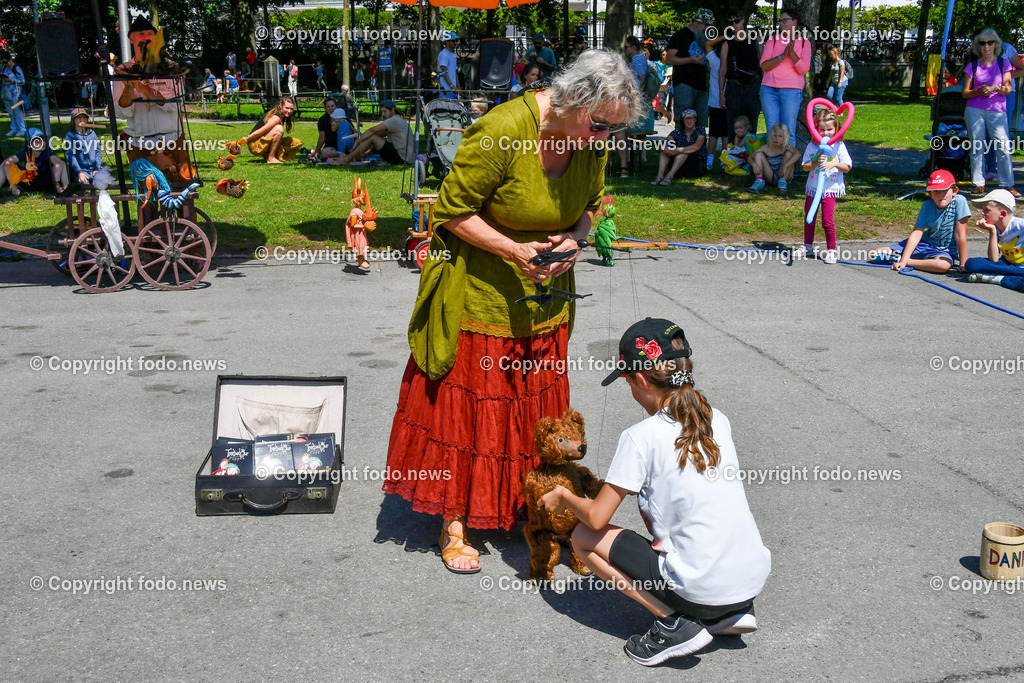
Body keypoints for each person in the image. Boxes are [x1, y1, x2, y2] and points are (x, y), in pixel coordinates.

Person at [383, 49, 642, 573]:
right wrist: (514, 250)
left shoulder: (591, 141)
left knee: (536, 413)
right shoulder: (502, 129)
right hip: (482, 299)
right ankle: (453, 521)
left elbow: (593, 206)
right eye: (597, 127)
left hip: (545, 302)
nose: (603, 140)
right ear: (571, 100)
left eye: (612, 132)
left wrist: (574, 239)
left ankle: (538, 509)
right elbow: (451, 211)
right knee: (470, 412)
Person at [539, 318, 771, 667]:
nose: (632, 393)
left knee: (584, 536)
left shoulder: (641, 436)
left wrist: (564, 496)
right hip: (748, 580)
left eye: (629, 383)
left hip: (701, 584)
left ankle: (674, 623)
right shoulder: (715, 418)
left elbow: (598, 516)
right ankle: (727, 614)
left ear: (642, 380)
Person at [111, 16, 193, 181]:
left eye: (150, 33)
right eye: (141, 33)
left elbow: (175, 104)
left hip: (172, 138)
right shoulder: (122, 71)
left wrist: (143, 89)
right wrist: (129, 88)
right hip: (138, 142)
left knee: (180, 193)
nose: (146, 37)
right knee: (146, 197)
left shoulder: (172, 68)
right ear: (131, 38)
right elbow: (121, 112)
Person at [869, 170, 970, 274]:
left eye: (944, 190)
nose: (940, 195)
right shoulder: (927, 205)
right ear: (930, 194)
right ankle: (909, 260)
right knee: (875, 254)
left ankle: (908, 261)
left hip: (943, 251)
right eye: (936, 191)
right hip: (924, 243)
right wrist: (903, 261)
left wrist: (963, 263)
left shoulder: (960, 201)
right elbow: (917, 233)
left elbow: (960, 234)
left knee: (943, 266)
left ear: (954, 191)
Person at [961, 28, 1018, 197]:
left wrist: (996, 88)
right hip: (975, 110)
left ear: (996, 45)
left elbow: (1007, 88)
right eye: (982, 43)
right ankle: (978, 184)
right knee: (977, 146)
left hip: (997, 110)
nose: (986, 46)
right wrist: (978, 92)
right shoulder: (972, 66)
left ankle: (1007, 184)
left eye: (990, 42)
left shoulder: (1004, 64)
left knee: (1003, 146)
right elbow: (965, 93)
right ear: (978, 46)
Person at [801, 107, 852, 264]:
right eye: (822, 130)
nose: (826, 133)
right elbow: (805, 166)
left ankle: (831, 250)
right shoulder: (812, 146)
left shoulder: (839, 147)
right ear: (816, 129)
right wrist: (816, 162)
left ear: (836, 128)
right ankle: (807, 246)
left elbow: (847, 167)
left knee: (827, 220)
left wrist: (834, 164)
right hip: (814, 187)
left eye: (829, 129)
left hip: (829, 189)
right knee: (809, 218)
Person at [760, 7, 811, 146]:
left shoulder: (805, 43)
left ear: (794, 22)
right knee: (772, 131)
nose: (781, 23)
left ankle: (787, 167)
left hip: (791, 90)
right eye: (780, 21)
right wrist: (782, 55)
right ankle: (772, 166)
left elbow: (803, 69)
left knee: (788, 131)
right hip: (769, 89)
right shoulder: (773, 40)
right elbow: (764, 65)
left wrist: (791, 53)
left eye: (784, 20)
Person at [965, 189, 1024, 292]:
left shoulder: (1019, 225)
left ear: (1002, 214)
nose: (982, 213)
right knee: (972, 264)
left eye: (986, 210)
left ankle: (998, 279)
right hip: (1009, 265)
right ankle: (1010, 275)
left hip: (1019, 267)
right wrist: (992, 231)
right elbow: (994, 259)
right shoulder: (995, 227)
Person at [665, 8, 714, 130]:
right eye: (706, 25)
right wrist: (690, 60)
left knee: (701, 122)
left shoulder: (704, 38)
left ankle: (700, 148)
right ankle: (681, 147)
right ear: (698, 22)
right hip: (684, 84)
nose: (707, 28)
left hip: (702, 84)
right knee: (684, 119)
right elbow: (669, 59)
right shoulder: (680, 35)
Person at [615, 36, 656, 178]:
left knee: (621, 128)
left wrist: (636, 97)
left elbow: (642, 78)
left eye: (626, 47)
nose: (625, 50)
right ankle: (629, 159)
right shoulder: (641, 58)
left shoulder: (637, 59)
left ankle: (624, 162)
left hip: (637, 103)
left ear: (633, 47)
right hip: (640, 104)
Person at [335, 99, 414, 166]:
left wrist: (358, 140)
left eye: (385, 111)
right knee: (373, 137)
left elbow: (372, 130)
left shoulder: (393, 120)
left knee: (373, 137)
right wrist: (363, 136)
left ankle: (346, 159)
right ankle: (354, 157)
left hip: (402, 159)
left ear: (392, 110)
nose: (383, 114)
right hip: (406, 158)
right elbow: (382, 133)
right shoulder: (398, 119)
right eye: (382, 112)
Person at [720, 14, 762, 134]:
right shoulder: (727, 44)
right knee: (733, 125)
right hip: (734, 86)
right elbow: (722, 70)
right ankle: (733, 151)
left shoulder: (755, 40)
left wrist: (762, 86)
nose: (734, 25)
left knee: (751, 123)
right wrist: (721, 93)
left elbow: (762, 65)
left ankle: (750, 152)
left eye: (737, 21)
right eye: (731, 23)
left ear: (743, 20)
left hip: (753, 85)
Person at [1, 128, 69, 197]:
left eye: (43, 139)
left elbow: (58, 163)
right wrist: (13, 187)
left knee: (62, 163)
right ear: (29, 145)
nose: (42, 143)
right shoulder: (26, 152)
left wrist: (57, 184)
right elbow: (6, 163)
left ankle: (67, 188)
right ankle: (13, 189)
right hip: (31, 182)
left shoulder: (46, 152)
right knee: (6, 164)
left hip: (47, 183)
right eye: (37, 141)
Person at [651, 108, 705, 185]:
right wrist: (665, 147)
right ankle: (659, 175)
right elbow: (665, 141)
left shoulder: (700, 130)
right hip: (678, 165)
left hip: (695, 165)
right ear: (682, 121)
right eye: (686, 118)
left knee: (684, 152)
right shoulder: (678, 131)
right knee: (664, 151)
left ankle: (669, 176)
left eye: (692, 118)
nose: (689, 121)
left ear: (696, 119)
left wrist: (678, 150)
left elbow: (696, 146)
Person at [242, 97, 302, 163]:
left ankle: (270, 156)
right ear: (281, 105)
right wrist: (244, 140)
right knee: (279, 129)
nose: (289, 111)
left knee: (293, 142)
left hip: (261, 141)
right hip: (255, 145)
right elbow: (259, 132)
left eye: (291, 109)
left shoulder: (282, 116)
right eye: (287, 108)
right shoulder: (276, 118)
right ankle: (271, 158)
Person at [748, 122, 799, 193]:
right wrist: (754, 165)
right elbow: (750, 157)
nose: (777, 139)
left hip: (784, 173)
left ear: (785, 137)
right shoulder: (766, 147)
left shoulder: (786, 147)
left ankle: (783, 181)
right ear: (771, 136)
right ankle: (759, 180)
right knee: (758, 154)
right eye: (775, 136)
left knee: (790, 154)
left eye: (780, 136)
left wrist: (785, 165)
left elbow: (798, 154)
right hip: (770, 175)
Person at [64, 108, 103, 187]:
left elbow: (98, 152)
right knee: (86, 185)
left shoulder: (92, 133)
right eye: (79, 117)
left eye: (84, 117)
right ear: (73, 120)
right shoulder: (70, 135)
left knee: (104, 183)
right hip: (81, 171)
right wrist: (79, 172)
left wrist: (97, 168)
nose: (82, 119)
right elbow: (71, 156)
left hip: (94, 169)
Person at [705, 37, 728, 170]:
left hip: (714, 102)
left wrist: (723, 36)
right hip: (727, 101)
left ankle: (709, 161)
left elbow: (708, 44)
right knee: (726, 134)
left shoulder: (715, 62)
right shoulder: (730, 64)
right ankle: (724, 161)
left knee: (713, 134)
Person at [2, 52, 27, 139]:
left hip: (16, 94)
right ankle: (14, 128)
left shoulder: (16, 68)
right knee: (10, 112)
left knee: (17, 111)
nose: (6, 64)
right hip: (6, 93)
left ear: (10, 60)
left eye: (7, 62)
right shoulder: (4, 68)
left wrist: (12, 81)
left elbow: (22, 81)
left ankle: (21, 129)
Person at [438, 31, 459, 99]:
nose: (455, 43)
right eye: (453, 41)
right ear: (447, 42)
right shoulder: (444, 54)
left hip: (453, 90)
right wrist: (453, 87)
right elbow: (444, 73)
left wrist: (458, 88)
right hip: (446, 90)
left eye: (456, 41)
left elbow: (455, 73)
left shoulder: (453, 55)